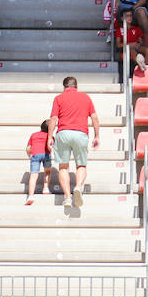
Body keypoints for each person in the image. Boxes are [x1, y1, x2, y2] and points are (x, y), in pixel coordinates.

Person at [48, 76, 100, 209]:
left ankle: (67, 197)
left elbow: (53, 119)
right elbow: (94, 117)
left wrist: (49, 137)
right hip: (81, 134)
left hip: (63, 133)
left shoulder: (59, 98)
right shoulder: (85, 97)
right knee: (81, 166)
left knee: (63, 167)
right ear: (76, 86)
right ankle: (78, 186)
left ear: (64, 87)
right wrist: (97, 136)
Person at [25, 120, 52, 206]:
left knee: (33, 175)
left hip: (35, 155)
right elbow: (51, 146)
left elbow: (28, 148)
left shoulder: (34, 135)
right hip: (46, 154)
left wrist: (29, 155)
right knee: (47, 171)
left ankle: (31, 196)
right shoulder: (50, 136)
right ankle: (45, 188)